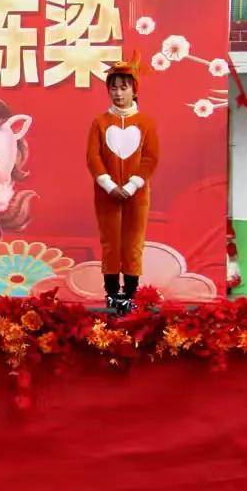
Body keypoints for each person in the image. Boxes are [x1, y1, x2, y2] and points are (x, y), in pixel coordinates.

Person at [86, 52, 160, 314]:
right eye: (114, 88)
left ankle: (129, 293)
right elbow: (93, 157)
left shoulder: (146, 123)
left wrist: (130, 186)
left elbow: (150, 158)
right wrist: (109, 185)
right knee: (110, 242)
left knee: (133, 242)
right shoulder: (99, 122)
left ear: (134, 89)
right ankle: (111, 293)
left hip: (136, 196)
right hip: (106, 195)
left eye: (123, 88)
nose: (118, 93)